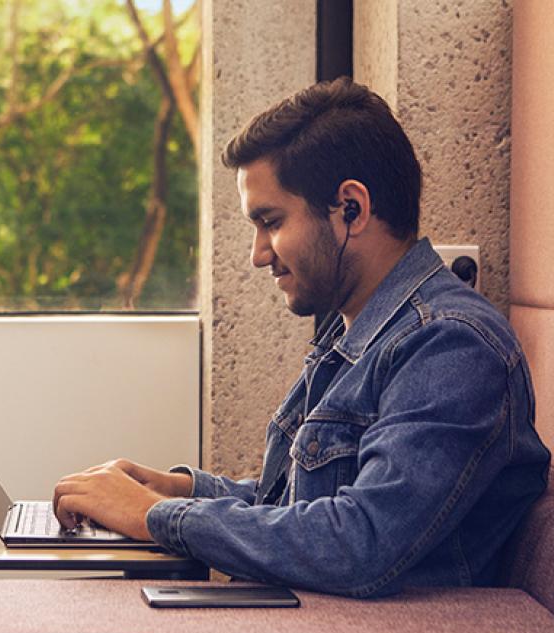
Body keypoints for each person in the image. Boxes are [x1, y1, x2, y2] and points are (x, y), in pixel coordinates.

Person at [52, 77, 551, 598]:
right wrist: (182, 490)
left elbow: (360, 541)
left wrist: (153, 515)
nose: (258, 253)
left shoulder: (452, 347)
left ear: (350, 208)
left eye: (270, 222)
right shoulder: (358, 335)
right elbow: (303, 511)